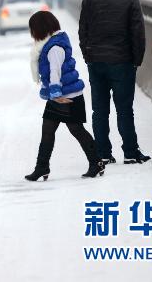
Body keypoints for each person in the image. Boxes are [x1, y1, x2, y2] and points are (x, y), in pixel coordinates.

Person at [78, 0, 150, 165]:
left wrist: (88, 56)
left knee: (99, 110)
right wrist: (137, 60)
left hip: (96, 62)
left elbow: (83, 31)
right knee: (124, 109)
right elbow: (138, 33)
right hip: (122, 62)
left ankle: (102, 153)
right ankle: (130, 152)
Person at [24, 11, 105, 181]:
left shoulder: (54, 47)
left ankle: (96, 162)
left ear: (40, 28)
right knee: (48, 131)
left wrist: (56, 93)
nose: (32, 33)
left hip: (68, 97)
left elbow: (55, 71)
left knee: (76, 130)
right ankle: (42, 167)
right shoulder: (51, 43)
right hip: (59, 96)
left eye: (33, 29)